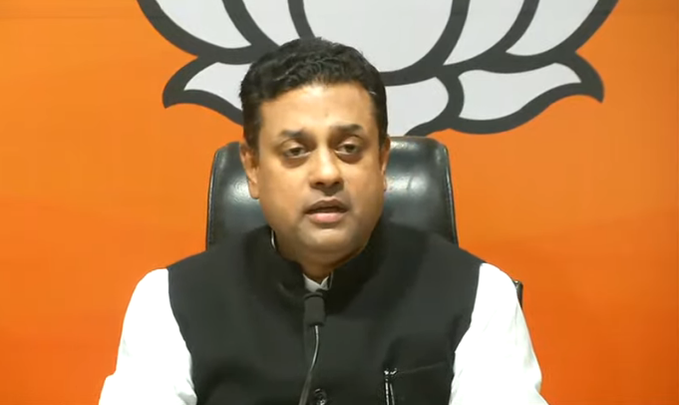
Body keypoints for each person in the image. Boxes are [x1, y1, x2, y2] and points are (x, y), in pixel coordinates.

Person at [99, 37, 548, 405]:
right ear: (253, 168)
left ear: (382, 161)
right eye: (295, 151)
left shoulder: (478, 294)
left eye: (349, 148)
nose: (327, 173)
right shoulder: (169, 301)